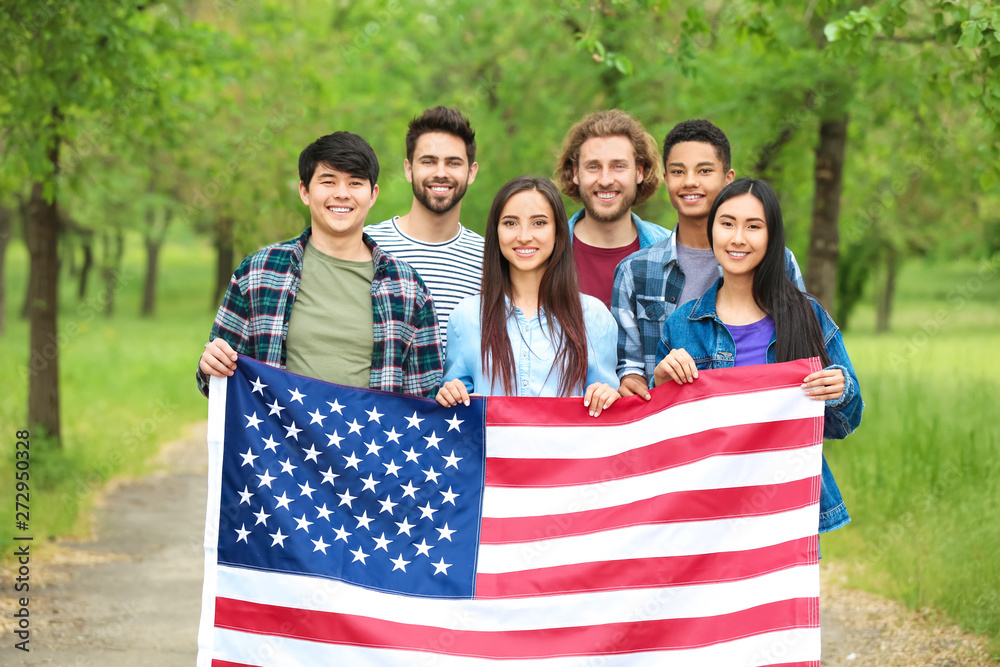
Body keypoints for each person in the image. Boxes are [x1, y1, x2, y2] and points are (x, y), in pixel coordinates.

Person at [653, 178, 862, 534]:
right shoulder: (681, 326)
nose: (738, 238)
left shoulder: (806, 316)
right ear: (712, 230)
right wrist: (660, 386)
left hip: (785, 512)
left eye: (753, 226)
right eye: (727, 223)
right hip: (704, 512)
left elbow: (844, 423)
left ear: (772, 237)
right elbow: (661, 444)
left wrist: (841, 390)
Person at [197, 131, 443, 398]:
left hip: (370, 439)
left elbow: (426, 398)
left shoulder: (407, 288)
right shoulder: (258, 273)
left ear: (372, 195)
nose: (341, 194)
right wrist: (210, 366)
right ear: (305, 191)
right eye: (328, 181)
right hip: (282, 438)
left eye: (355, 183)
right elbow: (216, 380)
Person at [612, 119, 805, 400]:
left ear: (728, 179)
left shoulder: (777, 261)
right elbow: (631, 373)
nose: (690, 182)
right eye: (678, 171)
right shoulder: (635, 272)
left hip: (761, 430)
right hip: (675, 431)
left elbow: (801, 349)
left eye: (704, 171)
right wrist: (639, 383)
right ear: (666, 179)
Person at [436, 176, 620, 417]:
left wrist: (608, 396)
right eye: (510, 223)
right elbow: (456, 407)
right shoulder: (466, 316)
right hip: (492, 453)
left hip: (568, 453)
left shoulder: (593, 316)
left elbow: (609, 408)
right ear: (496, 232)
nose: (523, 236)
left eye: (539, 223)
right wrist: (449, 393)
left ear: (558, 232)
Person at [365, 106, 483, 346]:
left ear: (471, 172)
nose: (440, 173)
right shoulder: (366, 245)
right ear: (409, 169)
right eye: (428, 161)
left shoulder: (491, 257)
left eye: (453, 163)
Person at [555, 109, 670, 310]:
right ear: (576, 173)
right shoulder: (548, 253)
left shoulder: (671, 253)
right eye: (593, 167)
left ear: (639, 172)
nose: (606, 180)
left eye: (618, 166)